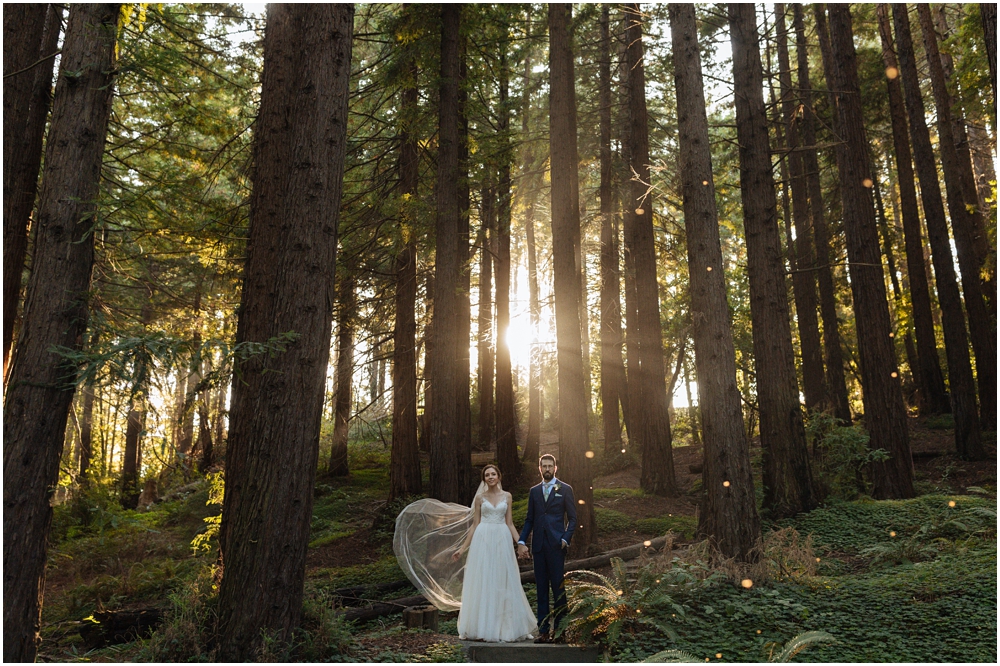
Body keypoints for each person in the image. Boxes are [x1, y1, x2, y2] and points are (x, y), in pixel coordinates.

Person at [393, 465, 537, 642]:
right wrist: (462, 549)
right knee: (483, 580)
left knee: (503, 579)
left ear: (499, 477)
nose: (490, 477)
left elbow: (510, 523)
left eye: (493, 474)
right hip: (482, 540)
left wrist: (520, 543)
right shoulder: (479, 498)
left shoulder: (507, 496)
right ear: (484, 479)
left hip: (502, 539)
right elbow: (475, 525)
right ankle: (482, 626)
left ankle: (507, 626)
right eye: (487, 475)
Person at [517, 454, 577, 643]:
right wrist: (521, 541)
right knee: (541, 590)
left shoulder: (565, 489)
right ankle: (543, 631)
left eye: (550, 466)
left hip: (556, 546)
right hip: (539, 547)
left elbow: (573, 519)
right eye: (544, 466)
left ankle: (560, 631)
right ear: (540, 468)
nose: (547, 469)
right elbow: (530, 519)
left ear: (555, 468)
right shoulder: (534, 491)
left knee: (559, 590)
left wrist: (565, 539)